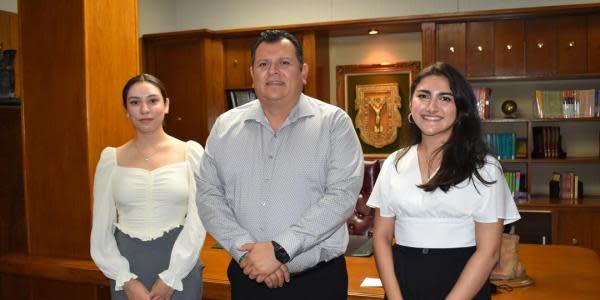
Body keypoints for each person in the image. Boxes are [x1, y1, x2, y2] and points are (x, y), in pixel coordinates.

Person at [195, 29, 363, 300]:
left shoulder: (334, 124)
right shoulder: (225, 127)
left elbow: (341, 197)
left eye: (284, 63)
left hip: (318, 283)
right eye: (263, 64)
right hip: (247, 278)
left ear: (303, 72)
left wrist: (279, 249)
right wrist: (247, 253)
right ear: (252, 73)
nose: (273, 71)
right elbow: (208, 196)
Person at [367, 62, 521, 300]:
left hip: (462, 286)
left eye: (445, 98)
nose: (432, 107)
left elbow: (489, 252)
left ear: (461, 108)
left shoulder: (485, 168)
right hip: (403, 283)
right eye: (423, 96)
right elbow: (382, 236)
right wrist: (395, 297)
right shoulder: (394, 163)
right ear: (410, 104)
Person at [90, 74, 206, 300]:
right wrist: (126, 280)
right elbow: (101, 229)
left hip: (180, 264)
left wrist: (172, 276)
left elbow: (198, 220)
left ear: (166, 105)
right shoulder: (110, 159)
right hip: (126, 268)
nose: (144, 109)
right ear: (126, 109)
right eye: (134, 102)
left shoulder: (191, 153)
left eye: (153, 100)